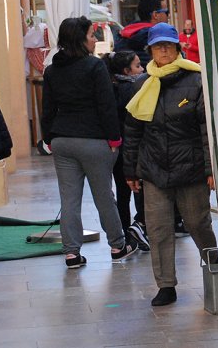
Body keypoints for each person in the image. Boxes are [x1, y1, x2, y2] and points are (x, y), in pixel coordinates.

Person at [122, 23, 218, 307]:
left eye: (168, 44)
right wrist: (131, 170)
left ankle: (215, 265)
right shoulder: (141, 84)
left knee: (199, 223)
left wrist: (211, 169)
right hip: (153, 170)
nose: (163, 50)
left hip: (190, 167)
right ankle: (166, 285)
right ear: (150, 50)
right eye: (158, 45)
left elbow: (206, 130)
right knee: (159, 229)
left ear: (178, 47)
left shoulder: (197, 79)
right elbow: (133, 131)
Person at [41, 17, 138, 268]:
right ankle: (118, 246)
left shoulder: (51, 70)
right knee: (103, 196)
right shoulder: (94, 67)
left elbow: (48, 109)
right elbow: (106, 106)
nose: (95, 40)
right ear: (80, 39)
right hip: (94, 141)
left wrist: (49, 138)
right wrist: (115, 138)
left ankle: (71, 253)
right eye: (92, 35)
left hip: (62, 140)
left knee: (69, 199)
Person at [104, 51, 150, 252]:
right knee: (142, 191)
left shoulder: (110, 88)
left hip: (117, 149)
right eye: (138, 66)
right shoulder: (134, 88)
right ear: (126, 70)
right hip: (135, 148)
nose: (142, 69)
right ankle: (139, 226)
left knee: (123, 194)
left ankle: (126, 231)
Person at [115, 0, 169, 67]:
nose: (169, 16)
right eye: (166, 12)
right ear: (155, 15)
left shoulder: (124, 35)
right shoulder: (158, 37)